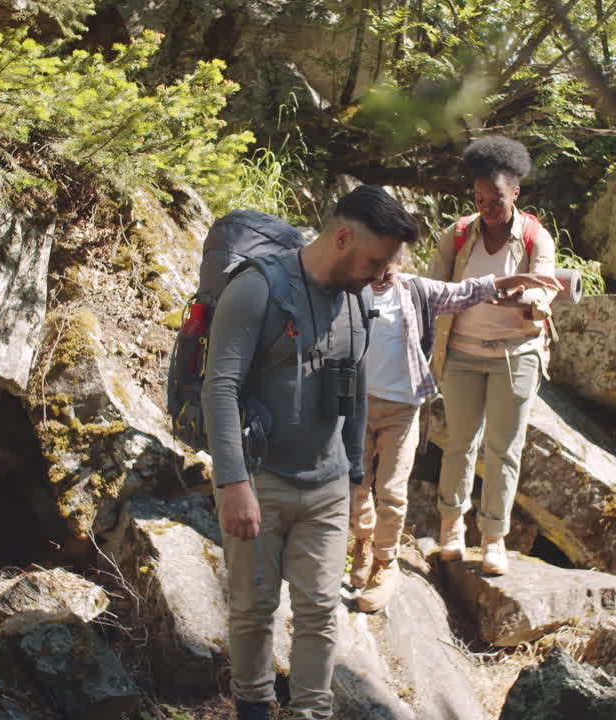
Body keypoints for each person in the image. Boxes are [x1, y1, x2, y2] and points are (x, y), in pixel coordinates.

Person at [202, 185, 418, 720]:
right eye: (374, 261)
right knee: (253, 610)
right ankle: (252, 707)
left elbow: (356, 388)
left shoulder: (360, 298)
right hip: (259, 478)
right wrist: (234, 484)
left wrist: (352, 476)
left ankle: (309, 713)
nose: (378, 276)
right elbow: (220, 387)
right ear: (342, 237)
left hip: (326, 483)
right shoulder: (258, 289)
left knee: (321, 611)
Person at [349, 259, 560, 611]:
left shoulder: (417, 290)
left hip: (402, 409)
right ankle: (363, 541)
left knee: (390, 490)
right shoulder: (350, 288)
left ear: (400, 259)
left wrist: (507, 281)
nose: (381, 270)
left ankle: (385, 564)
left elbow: (465, 292)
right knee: (357, 484)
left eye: (390, 262)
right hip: (358, 405)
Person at [427, 136, 557, 576]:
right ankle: (451, 528)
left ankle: (494, 539)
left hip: (515, 356)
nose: (487, 207)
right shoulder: (460, 233)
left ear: (515, 193)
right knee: (459, 444)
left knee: (504, 449)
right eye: (480, 198)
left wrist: (526, 298)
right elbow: (433, 288)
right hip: (461, 354)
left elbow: (544, 289)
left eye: (496, 200)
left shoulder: (536, 237)